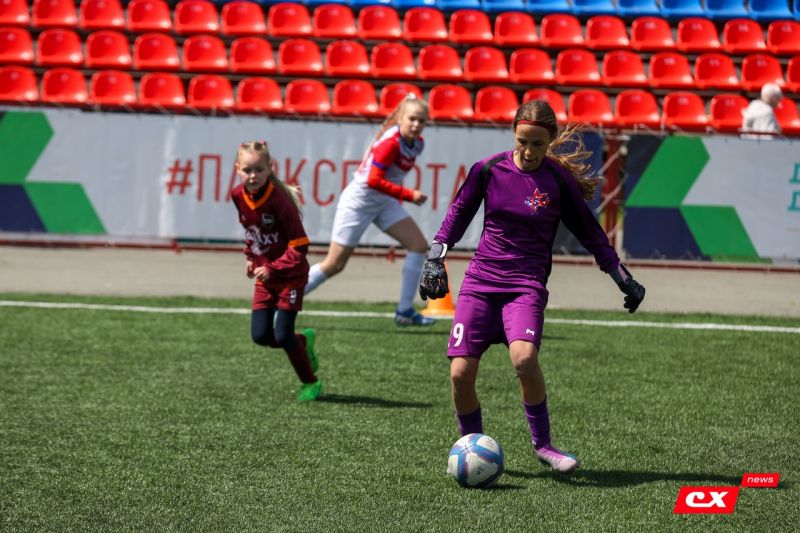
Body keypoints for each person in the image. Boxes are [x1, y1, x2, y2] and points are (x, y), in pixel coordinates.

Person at [419, 101, 646, 473]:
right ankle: (471, 448)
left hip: (525, 286)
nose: (528, 151)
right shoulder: (488, 169)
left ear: (551, 139)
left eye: (538, 144)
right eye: (522, 141)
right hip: (480, 283)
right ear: (514, 133)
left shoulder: (558, 181)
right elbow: (458, 213)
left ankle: (544, 446)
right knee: (460, 373)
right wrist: (434, 258)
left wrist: (623, 278)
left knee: (524, 359)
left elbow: (591, 234)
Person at [304, 95, 436, 326]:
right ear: (400, 119)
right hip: (360, 202)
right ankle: (285, 298)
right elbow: (373, 180)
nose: (416, 124)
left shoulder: (418, 143)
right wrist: (408, 195)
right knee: (334, 264)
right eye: (412, 119)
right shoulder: (391, 143)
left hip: (384, 203)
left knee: (418, 245)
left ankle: (405, 311)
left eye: (421, 120)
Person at [231, 140, 322, 402]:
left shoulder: (278, 200)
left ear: (269, 168)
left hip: (290, 276)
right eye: (247, 170)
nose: (253, 175)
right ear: (237, 169)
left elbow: (300, 245)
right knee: (260, 336)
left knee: (282, 335)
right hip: (266, 276)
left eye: (259, 169)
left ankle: (311, 382)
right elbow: (252, 231)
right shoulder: (238, 195)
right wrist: (251, 257)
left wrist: (272, 267)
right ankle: (302, 342)